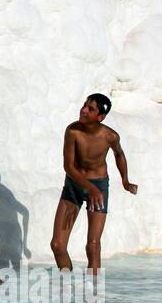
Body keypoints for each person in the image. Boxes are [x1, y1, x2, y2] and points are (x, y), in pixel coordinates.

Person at [48, 93, 138, 272]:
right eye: (84, 105)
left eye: (90, 109)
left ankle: (93, 294)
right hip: (74, 186)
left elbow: (119, 154)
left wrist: (125, 181)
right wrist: (90, 188)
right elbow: (68, 166)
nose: (83, 110)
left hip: (99, 186)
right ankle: (67, 288)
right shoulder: (73, 131)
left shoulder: (110, 136)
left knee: (93, 245)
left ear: (100, 117)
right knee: (57, 245)